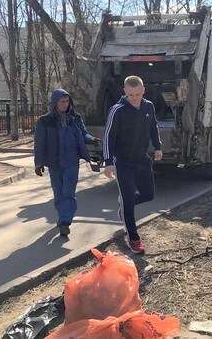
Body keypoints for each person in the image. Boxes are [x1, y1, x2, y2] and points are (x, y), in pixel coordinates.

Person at [103, 75, 163, 254]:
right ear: (125, 92)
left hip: (142, 159)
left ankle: (124, 205)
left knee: (148, 194)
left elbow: (153, 127)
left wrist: (158, 147)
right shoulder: (117, 110)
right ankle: (134, 239)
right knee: (129, 201)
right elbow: (108, 137)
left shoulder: (148, 106)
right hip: (123, 162)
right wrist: (108, 162)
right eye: (131, 95)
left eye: (137, 94)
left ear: (143, 91)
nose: (134, 98)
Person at [34, 88, 100, 237]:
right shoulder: (45, 121)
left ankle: (65, 221)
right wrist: (38, 163)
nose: (65, 104)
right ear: (55, 103)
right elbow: (39, 143)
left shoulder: (75, 118)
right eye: (62, 102)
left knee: (68, 192)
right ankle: (62, 216)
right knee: (58, 193)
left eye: (67, 101)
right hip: (54, 162)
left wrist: (91, 139)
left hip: (71, 161)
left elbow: (83, 133)